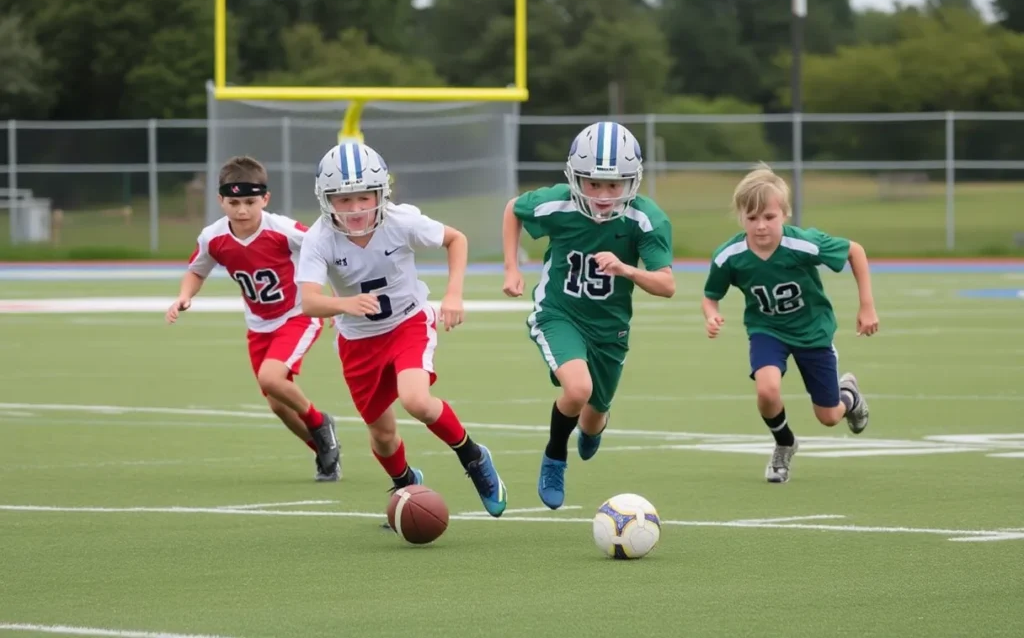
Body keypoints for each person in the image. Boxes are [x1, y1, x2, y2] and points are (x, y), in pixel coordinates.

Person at [296, 141, 508, 518]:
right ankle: (406, 484)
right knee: (382, 434)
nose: (356, 208)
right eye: (344, 199)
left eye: (364, 197)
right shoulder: (319, 238)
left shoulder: (401, 221)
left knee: (416, 400)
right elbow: (309, 301)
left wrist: (453, 294)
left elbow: (455, 239)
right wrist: (345, 304)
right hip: (357, 340)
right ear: (326, 200)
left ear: (382, 193)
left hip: (407, 322)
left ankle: (473, 457)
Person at [502, 121, 675, 510]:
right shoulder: (559, 203)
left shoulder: (645, 219)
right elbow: (514, 209)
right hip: (559, 312)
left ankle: (592, 428)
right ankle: (554, 457)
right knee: (577, 389)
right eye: (593, 183)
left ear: (631, 182)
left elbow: (667, 284)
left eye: (613, 185)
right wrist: (511, 267)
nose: (602, 195)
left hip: (610, 329)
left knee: (594, 415)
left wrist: (627, 269)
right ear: (575, 177)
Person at [165, 155, 341, 481]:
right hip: (259, 325)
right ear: (220, 200)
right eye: (233, 203)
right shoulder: (213, 237)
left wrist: (332, 300)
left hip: (297, 314)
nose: (242, 210)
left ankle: (320, 423)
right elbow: (196, 270)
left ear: (265, 199)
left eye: (250, 202)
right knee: (278, 404)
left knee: (271, 379)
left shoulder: (283, 230)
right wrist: (185, 295)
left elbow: (327, 254)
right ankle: (323, 452)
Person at [701, 163, 880, 483]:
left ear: (785, 214)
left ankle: (849, 395)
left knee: (829, 416)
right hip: (767, 330)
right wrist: (711, 315)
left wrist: (867, 306)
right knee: (767, 390)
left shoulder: (802, 244)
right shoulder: (729, 255)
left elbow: (855, 251)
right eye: (752, 218)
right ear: (740, 217)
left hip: (813, 331)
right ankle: (784, 443)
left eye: (769, 217)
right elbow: (710, 296)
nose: (760, 226)